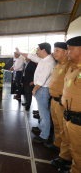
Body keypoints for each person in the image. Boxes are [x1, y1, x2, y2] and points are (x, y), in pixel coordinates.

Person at [16, 43, 56, 143]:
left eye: (38, 50)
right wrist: (20, 52)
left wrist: (35, 89)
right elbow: (31, 56)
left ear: (43, 50)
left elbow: (42, 79)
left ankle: (44, 135)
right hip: (41, 89)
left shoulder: (48, 62)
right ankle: (41, 127)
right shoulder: (44, 60)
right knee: (42, 111)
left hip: (42, 89)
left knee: (44, 113)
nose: (37, 52)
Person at [44, 42, 73, 171]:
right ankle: (58, 145)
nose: (54, 53)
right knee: (57, 126)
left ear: (66, 52)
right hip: (54, 100)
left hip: (62, 102)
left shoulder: (69, 65)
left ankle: (65, 157)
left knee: (64, 130)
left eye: (57, 50)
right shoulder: (58, 64)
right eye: (54, 50)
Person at [60, 36, 81, 173]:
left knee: (79, 150)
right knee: (74, 148)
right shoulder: (73, 68)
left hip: (78, 119)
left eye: (70, 49)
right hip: (69, 115)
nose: (68, 52)